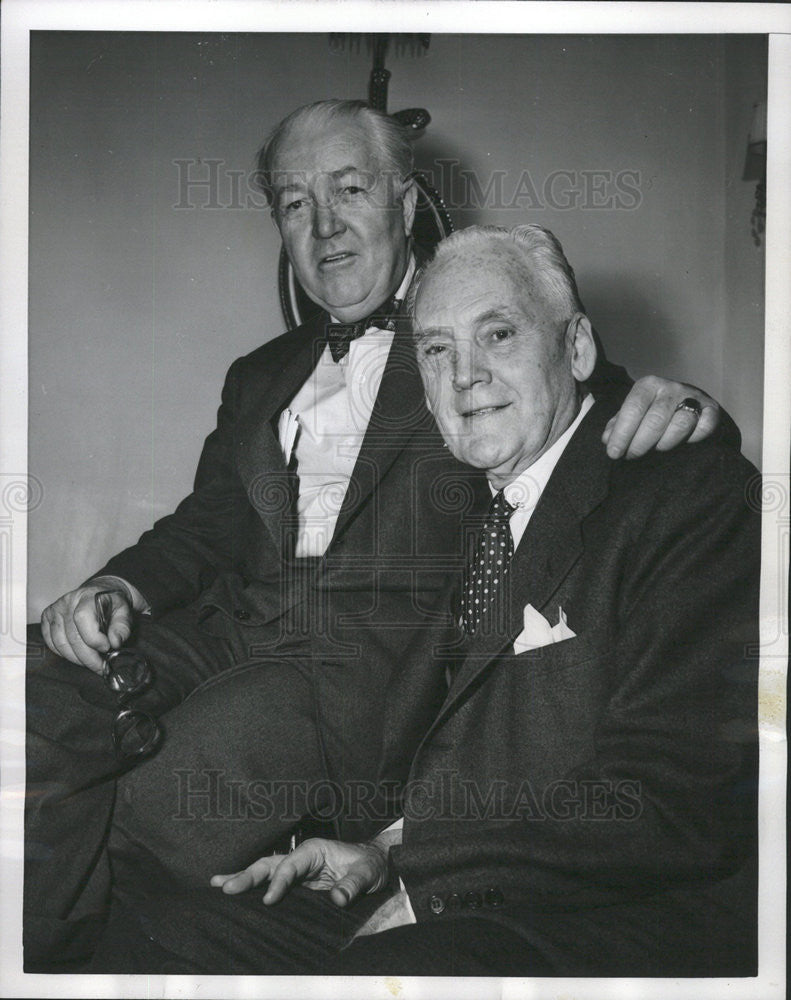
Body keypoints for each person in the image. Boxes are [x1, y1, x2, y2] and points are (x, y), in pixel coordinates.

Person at [25, 101, 729, 971]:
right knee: (31, 697)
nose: (323, 226)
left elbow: (577, 407)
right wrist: (117, 590)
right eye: (293, 203)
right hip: (225, 635)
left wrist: (690, 410)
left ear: (405, 204)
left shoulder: (457, 338)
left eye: (349, 189)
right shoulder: (259, 374)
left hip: (355, 674)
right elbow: (207, 524)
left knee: (143, 817)